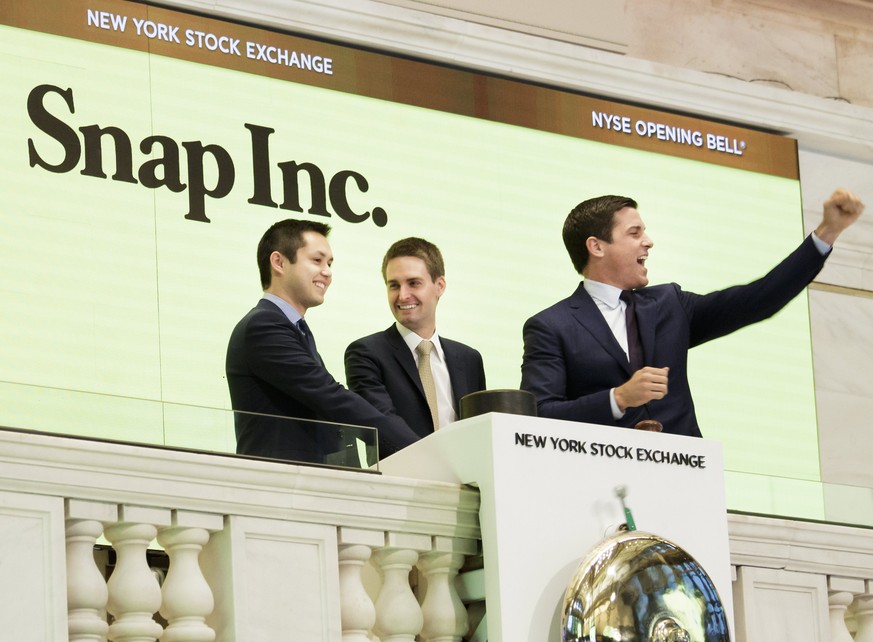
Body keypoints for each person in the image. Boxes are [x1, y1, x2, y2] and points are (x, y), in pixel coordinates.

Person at [520, 189, 864, 437]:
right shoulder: (551, 326)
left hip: (686, 480)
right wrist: (618, 398)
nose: (649, 242)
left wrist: (827, 233)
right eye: (635, 233)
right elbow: (540, 413)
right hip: (599, 487)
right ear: (596, 246)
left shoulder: (669, 304)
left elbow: (759, 300)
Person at [226, 219, 420, 463]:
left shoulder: (293, 328)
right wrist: (419, 449)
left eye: (329, 263)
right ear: (279, 262)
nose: (327, 272)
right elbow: (331, 397)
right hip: (280, 485)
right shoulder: (264, 326)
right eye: (317, 261)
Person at [344, 237, 486, 455]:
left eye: (413, 283)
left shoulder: (468, 359)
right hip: (399, 484)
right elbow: (383, 425)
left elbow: (479, 432)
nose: (402, 295)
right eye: (394, 285)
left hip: (467, 484)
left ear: (439, 286)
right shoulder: (365, 353)